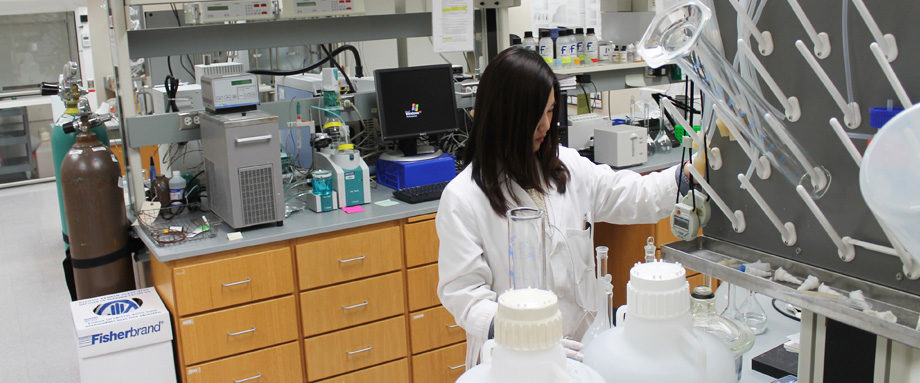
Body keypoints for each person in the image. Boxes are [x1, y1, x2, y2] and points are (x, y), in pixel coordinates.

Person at [436, 47, 693, 368]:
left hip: (582, 349)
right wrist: (526, 334)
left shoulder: (567, 167)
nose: (546, 125)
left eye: (551, 112)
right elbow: (465, 296)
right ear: (505, 117)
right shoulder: (463, 197)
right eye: (535, 116)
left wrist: (688, 175)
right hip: (514, 357)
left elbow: (636, 196)